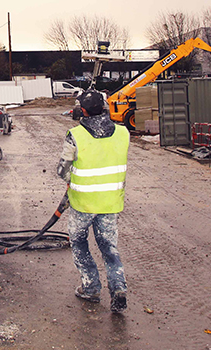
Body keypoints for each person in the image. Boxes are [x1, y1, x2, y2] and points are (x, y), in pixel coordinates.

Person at [57, 91, 130, 313]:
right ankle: (118, 287)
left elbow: (62, 170)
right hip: (110, 203)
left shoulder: (75, 135)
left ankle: (90, 288)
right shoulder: (123, 132)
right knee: (109, 247)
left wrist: (71, 181)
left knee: (79, 243)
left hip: (83, 204)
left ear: (84, 110)